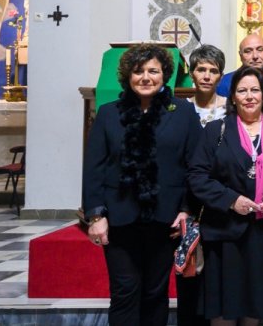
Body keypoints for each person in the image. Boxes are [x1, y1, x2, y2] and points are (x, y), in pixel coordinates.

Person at [82, 44, 201, 326]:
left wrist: (187, 209)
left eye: (153, 71)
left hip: (166, 219)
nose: (145, 77)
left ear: (164, 75)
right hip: (120, 218)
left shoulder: (183, 112)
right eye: (138, 71)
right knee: (124, 291)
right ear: (128, 76)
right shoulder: (109, 113)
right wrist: (96, 215)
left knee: (155, 293)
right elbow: (94, 168)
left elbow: (194, 166)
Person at [188, 66, 263, 324]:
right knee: (223, 309)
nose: (249, 96)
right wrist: (231, 200)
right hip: (225, 233)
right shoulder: (216, 131)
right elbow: (197, 177)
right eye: (242, 90)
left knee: (254, 309)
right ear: (232, 96)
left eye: (255, 90)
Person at [177, 44, 228, 326]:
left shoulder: (230, 109)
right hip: (188, 200)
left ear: (220, 76)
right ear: (192, 73)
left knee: (216, 272)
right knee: (188, 271)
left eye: (213, 70)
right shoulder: (180, 108)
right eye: (201, 69)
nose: (207, 75)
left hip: (220, 199)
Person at [215, 34, 263, 98]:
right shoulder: (224, 82)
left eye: (260, 50)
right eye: (248, 51)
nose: (255, 56)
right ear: (240, 56)